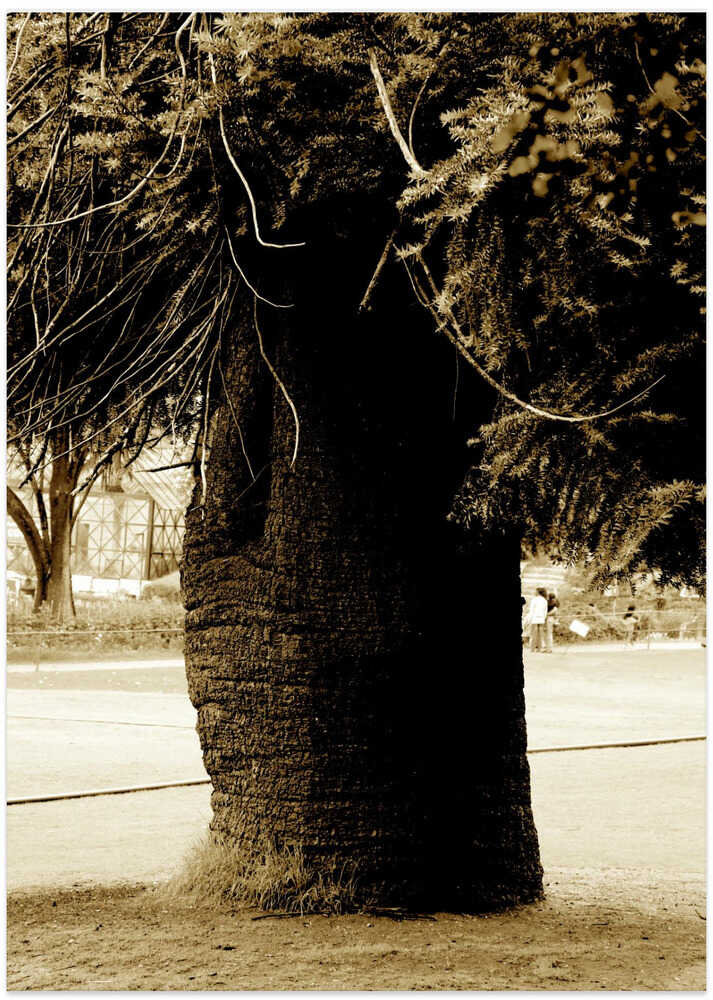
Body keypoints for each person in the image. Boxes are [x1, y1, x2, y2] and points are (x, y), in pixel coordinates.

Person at [528, 587, 548, 652]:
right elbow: (545, 611)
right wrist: (544, 618)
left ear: (538, 592)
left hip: (535, 618)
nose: (534, 592)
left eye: (535, 591)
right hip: (541, 618)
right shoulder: (544, 600)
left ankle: (532, 648)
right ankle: (539, 648)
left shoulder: (534, 600)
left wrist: (530, 618)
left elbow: (531, 610)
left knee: (534, 634)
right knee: (540, 634)